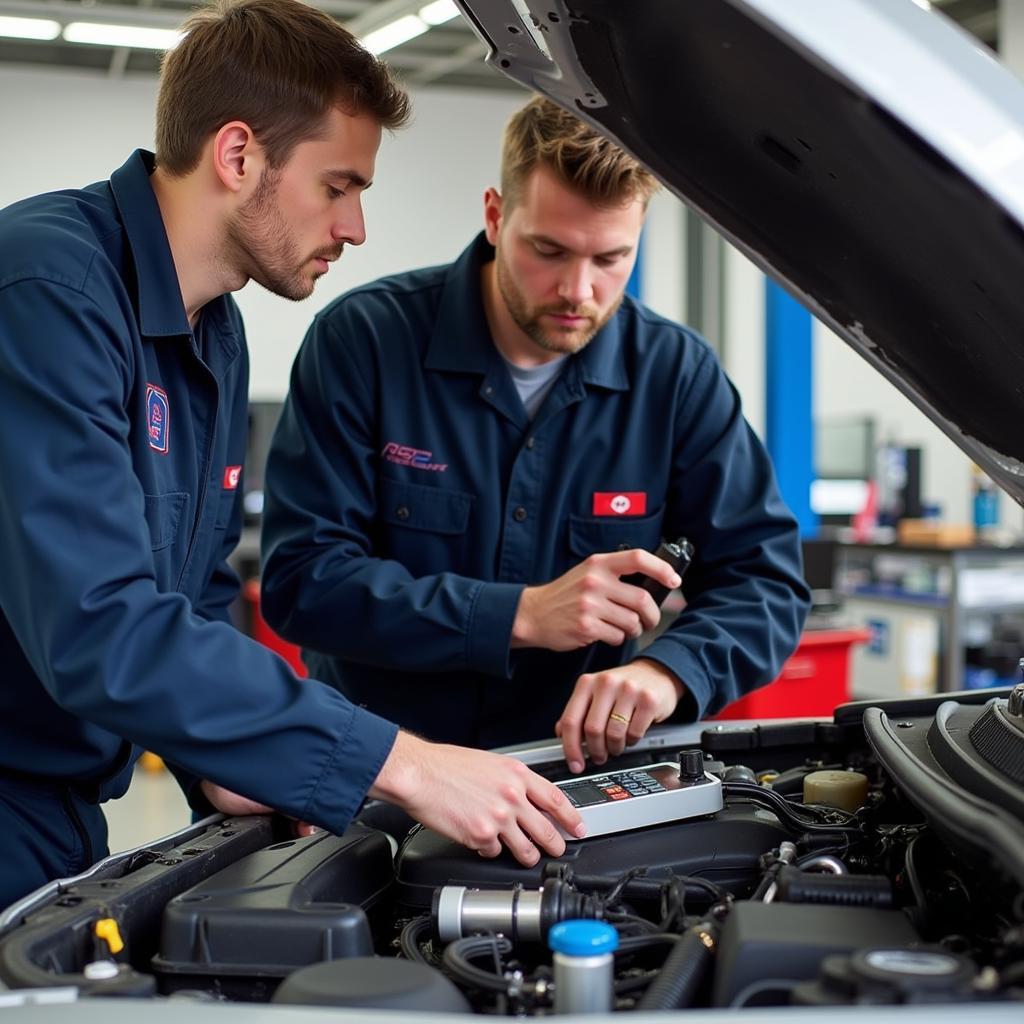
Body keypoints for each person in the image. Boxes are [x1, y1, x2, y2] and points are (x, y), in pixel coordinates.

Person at [0, 0, 583, 910]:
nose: (355, 228)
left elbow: (192, 597)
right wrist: (402, 763)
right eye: (338, 186)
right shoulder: (48, 290)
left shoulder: (215, 328)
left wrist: (223, 758)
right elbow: (100, 624)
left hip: (60, 800)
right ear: (239, 157)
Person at [260, 96, 812, 774]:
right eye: (549, 250)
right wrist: (517, 614)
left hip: (573, 778)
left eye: (612, 258)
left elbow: (766, 583)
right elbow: (303, 581)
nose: (578, 290)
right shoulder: (365, 342)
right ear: (496, 216)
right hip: (386, 774)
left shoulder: (675, 375)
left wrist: (669, 672)